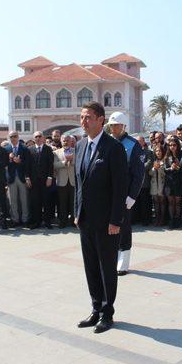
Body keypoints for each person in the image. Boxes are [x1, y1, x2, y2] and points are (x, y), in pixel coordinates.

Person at [74, 102, 128, 334]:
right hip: (86, 219)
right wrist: (77, 212)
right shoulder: (80, 146)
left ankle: (107, 313)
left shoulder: (113, 148)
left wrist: (116, 220)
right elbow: (79, 183)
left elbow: (120, 187)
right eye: (82, 117)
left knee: (107, 268)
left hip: (107, 222)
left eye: (88, 117)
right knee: (91, 267)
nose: (83, 121)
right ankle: (96, 308)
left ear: (100, 120)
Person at [107, 112, 144, 276]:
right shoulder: (106, 142)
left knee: (123, 228)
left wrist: (132, 196)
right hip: (107, 194)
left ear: (123, 126)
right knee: (108, 228)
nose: (113, 128)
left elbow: (139, 173)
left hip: (124, 195)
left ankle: (123, 263)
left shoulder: (133, 144)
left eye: (116, 125)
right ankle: (110, 259)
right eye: (111, 125)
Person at [28, 131, 54, 229]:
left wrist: (50, 177)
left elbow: (51, 165)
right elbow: (27, 165)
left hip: (45, 180)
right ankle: (37, 222)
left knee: (46, 201)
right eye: (36, 137)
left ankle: (47, 222)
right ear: (34, 138)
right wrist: (27, 178)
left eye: (40, 136)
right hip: (34, 180)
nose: (38, 138)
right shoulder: (29, 149)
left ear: (43, 138)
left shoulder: (48, 149)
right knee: (36, 202)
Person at [5, 131, 31, 227]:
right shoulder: (6, 149)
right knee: (13, 200)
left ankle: (25, 220)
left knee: (24, 200)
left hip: (22, 177)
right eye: (11, 136)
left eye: (15, 136)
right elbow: (3, 164)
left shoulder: (24, 148)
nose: (13, 138)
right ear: (9, 137)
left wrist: (20, 161)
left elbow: (28, 164)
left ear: (18, 137)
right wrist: (9, 158)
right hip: (11, 178)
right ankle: (15, 219)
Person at [53, 135, 76, 228]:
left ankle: (74, 221)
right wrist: (65, 161)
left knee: (73, 202)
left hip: (73, 181)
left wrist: (72, 160)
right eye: (64, 141)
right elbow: (54, 165)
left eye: (67, 140)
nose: (65, 142)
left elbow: (79, 163)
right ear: (61, 142)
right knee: (62, 203)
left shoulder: (76, 151)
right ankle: (63, 221)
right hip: (61, 181)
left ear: (71, 142)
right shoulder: (56, 153)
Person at [164, 138, 182, 229]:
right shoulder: (167, 156)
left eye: (174, 145)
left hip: (178, 182)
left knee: (177, 202)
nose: (172, 147)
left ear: (177, 146)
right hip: (169, 182)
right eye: (170, 145)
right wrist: (171, 168)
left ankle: (178, 220)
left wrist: (178, 167)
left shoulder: (181, 155)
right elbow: (165, 169)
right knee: (171, 202)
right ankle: (172, 220)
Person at [134, 135, 154, 226]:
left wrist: (139, 168)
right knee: (136, 202)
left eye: (139, 141)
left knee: (145, 202)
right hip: (135, 181)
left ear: (143, 142)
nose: (138, 143)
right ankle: (136, 218)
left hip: (144, 181)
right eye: (136, 141)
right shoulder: (133, 152)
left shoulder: (148, 152)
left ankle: (146, 220)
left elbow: (149, 163)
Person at [150, 145, 167, 226]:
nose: (158, 152)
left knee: (162, 202)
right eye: (156, 151)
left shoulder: (165, 160)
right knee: (156, 202)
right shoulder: (154, 160)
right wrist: (154, 168)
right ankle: (157, 218)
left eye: (159, 151)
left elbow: (166, 173)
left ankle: (163, 219)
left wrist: (159, 168)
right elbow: (149, 173)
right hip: (154, 185)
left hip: (162, 184)